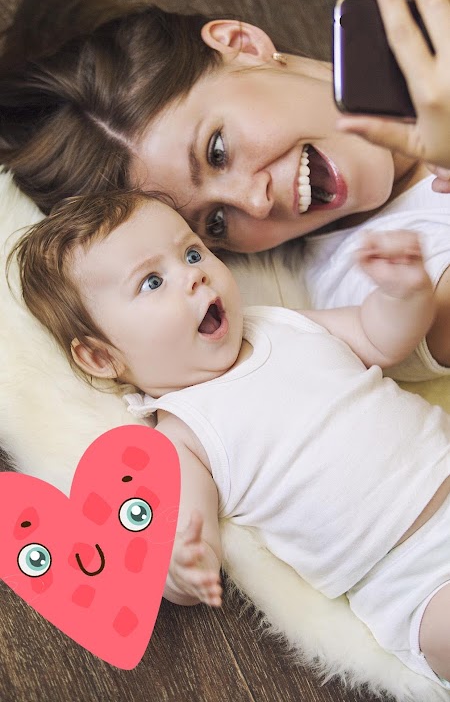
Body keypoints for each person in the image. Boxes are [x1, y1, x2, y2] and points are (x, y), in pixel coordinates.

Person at [9, 187, 450, 688]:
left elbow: (377, 338)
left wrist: (403, 295)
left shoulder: (280, 323)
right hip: (408, 576)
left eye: (192, 253)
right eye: (152, 281)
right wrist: (182, 565)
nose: (193, 274)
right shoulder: (182, 435)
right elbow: (187, 537)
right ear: (101, 357)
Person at [1, 0, 450, 379]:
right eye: (215, 223)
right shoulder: (375, 291)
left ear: (242, 44)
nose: (255, 202)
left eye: (217, 152)